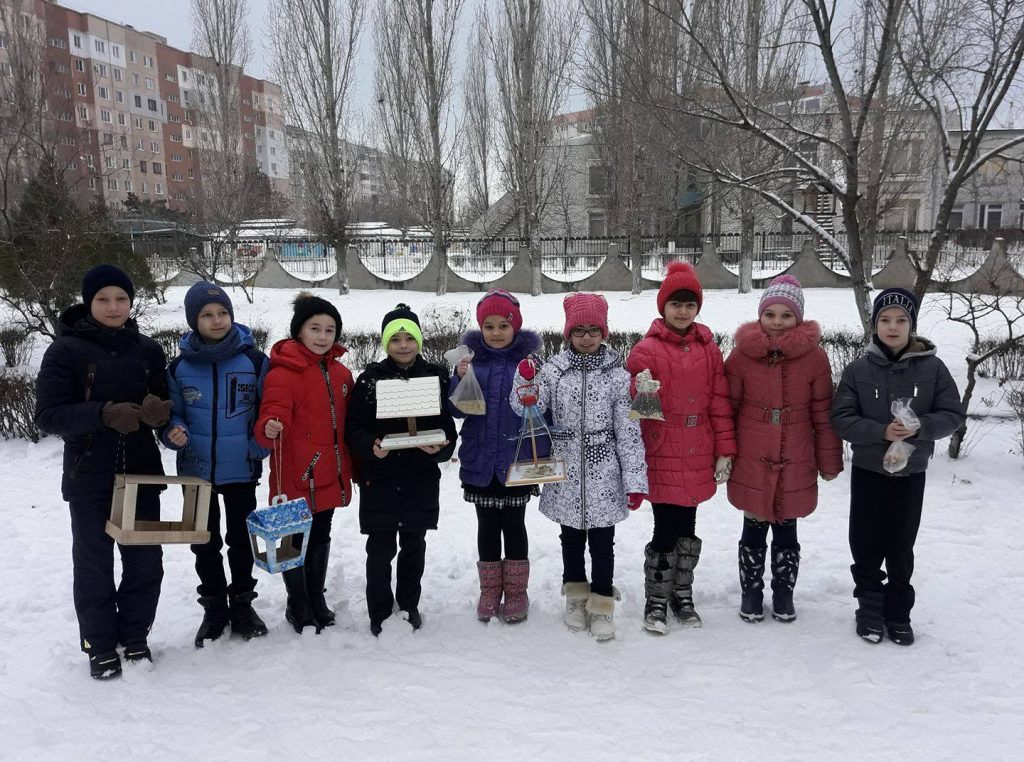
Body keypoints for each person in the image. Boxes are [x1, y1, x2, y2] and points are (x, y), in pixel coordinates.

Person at [35, 264, 171, 679]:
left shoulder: (147, 349)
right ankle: (98, 642)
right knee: (94, 563)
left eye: (121, 299)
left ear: (131, 303)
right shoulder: (66, 350)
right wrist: (102, 414)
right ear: (88, 302)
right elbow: (49, 415)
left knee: (145, 560)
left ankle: (135, 635)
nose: (113, 307)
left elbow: (164, 401)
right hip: (89, 475)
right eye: (103, 299)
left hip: (141, 473)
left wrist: (159, 411)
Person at [831, 288, 965, 646]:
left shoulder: (932, 368)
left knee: (901, 543)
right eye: (885, 320)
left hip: (910, 473)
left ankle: (898, 612)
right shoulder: (858, 370)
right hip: (869, 470)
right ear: (875, 325)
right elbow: (842, 418)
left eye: (901, 320)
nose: (893, 327)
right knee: (865, 541)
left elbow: (952, 413)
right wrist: (879, 431)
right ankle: (870, 609)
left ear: (912, 325)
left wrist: (920, 427)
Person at [510, 293, 647, 641]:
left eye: (594, 329)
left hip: (605, 472)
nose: (587, 337)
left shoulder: (616, 376)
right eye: (579, 330)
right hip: (566, 470)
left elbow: (629, 430)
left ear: (604, 332)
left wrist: (634, 480)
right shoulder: (555, 372)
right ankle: (575, 597)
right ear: (568, 332)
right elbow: (528, 406)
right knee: (570, 539)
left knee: (603, 543)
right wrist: (526, 379)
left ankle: (601, 603)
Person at [724, 275, 843, 623]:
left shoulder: (814, 358)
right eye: (770, 314)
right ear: (760, 316)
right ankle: (751, 592)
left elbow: (823, 414)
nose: (777, 322)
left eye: (786, 315)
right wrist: (724, 453)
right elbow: (726, 409)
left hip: (795, 457)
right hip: (752, 456)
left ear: (798, 318)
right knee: (753, 526)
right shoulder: (742, 356)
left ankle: (783, 593)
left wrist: (829, 459)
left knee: (787, 528)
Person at [626, 262, 736, 633]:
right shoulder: (647, 348)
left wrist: (725, 450)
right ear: (663, 306)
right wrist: (639, 389)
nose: (683, 311)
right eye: (676, 304)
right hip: (663, 448)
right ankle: (656, 597)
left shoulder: (709, 349)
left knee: (688, 526)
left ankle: (681, 592)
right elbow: (636, 407)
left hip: (698, 447)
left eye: (690, 304)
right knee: (665, 527)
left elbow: (719, 403)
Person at [163, 281, 270, 647]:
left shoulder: (254, 361)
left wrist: (257, 447)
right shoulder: (178, 366)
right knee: (203, 541)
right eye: (207, 315)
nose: (216, 320)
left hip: (240, 467)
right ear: (194, 321)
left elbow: (267, 412)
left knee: (240, 540)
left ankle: (242, 603)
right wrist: (173, 431)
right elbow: (173, 413)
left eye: (222, 312)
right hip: (195, 470)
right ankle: (213, 608)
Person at [345, 304, 457, 636]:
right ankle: (379, 610)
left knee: (413, 545)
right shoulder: (370, 379)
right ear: (386, 343)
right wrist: (372, 447)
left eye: (410, 338)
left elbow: (446, 428)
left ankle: (409, 604)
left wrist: (442, 447)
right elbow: (355, 429)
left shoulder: (435, 377)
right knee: (379, 548)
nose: (404, 345)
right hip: (379, 477)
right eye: (396, 339)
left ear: (419, 341)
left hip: (419, 477)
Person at [254, 293, 354, 634]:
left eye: (330, 329)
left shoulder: (341, 374)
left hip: (329, 472)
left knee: (321, 533)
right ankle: (297, 603)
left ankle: (316, 595)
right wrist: (269, 425)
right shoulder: (283, 372)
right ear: (299, 331)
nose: (323, 336)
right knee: (290, 539)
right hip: (295, 473)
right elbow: (272, 412)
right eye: (315, 328)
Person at [449, 290, 542, 623]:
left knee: (515, 526)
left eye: (504, 325)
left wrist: (534, 385)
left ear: (515, 327)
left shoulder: (529, 364)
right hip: (480, 460)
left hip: (516, 460)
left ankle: (517, 591)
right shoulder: (472, 363)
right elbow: (456, 410)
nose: (497, 332)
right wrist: (458, 379)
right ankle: (490, 590)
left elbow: (543, 409)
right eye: (489, 326)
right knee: (487, 526)